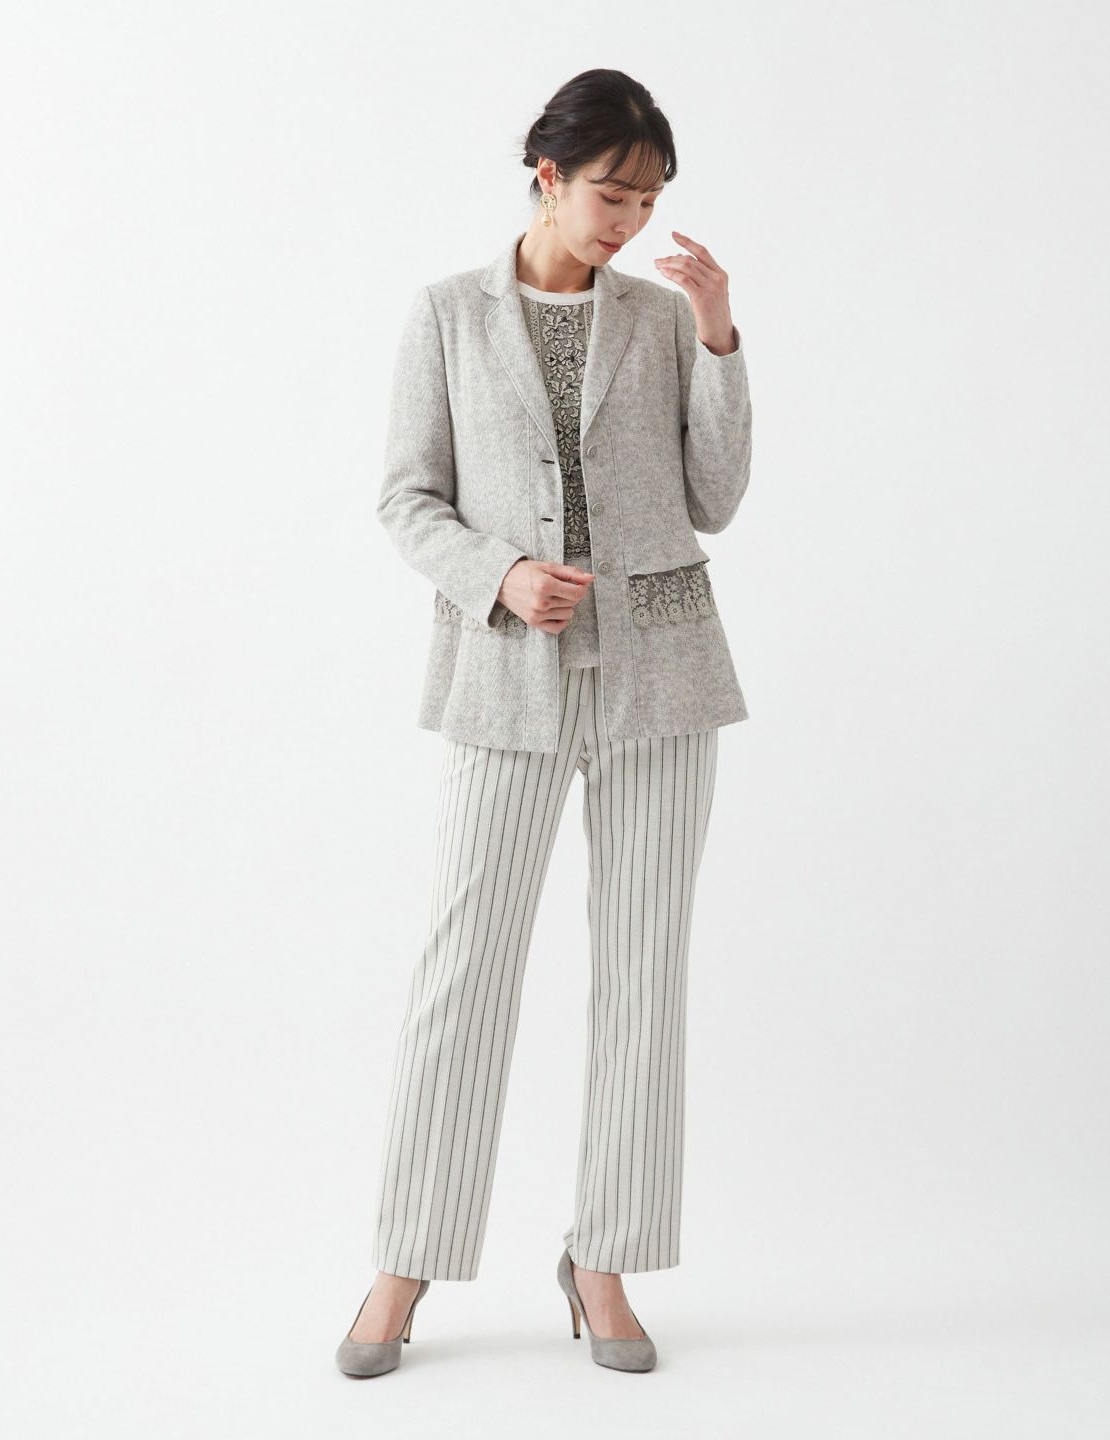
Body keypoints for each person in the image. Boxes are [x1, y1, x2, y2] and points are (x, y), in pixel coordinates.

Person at [336, 66, 753, 1377]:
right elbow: (407, 499)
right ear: (548, 174)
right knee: (464, 966)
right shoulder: (446, 315)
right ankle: (405, 1262)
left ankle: (604, 1260)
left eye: (650, 199)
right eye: (613, 193)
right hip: (505, 677)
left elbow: (715, 495)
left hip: (660, 673)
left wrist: (721, 339)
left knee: (643, 970)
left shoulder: (660, 316)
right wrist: (502, 575)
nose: (631, 220)